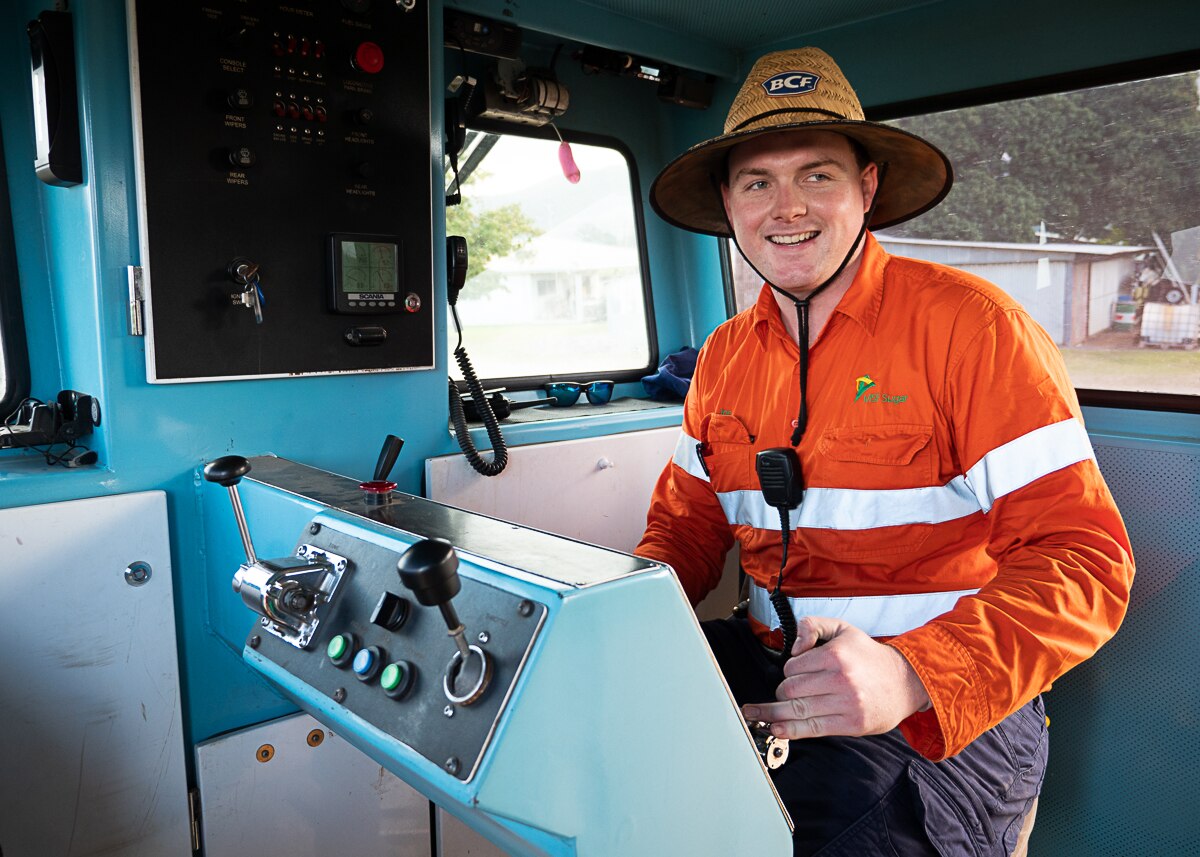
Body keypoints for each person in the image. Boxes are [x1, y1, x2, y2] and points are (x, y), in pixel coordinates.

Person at [636, 47, 1134, 856]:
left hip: (950, 700)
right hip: (771, 667)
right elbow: (684, 531)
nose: (785, 206)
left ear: (866, 188)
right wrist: (614, 615)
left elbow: (1086, 561)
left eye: (818, 175)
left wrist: (913, 674)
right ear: (728, 202)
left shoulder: (974, 329)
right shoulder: (723, 356)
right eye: (757, 181)